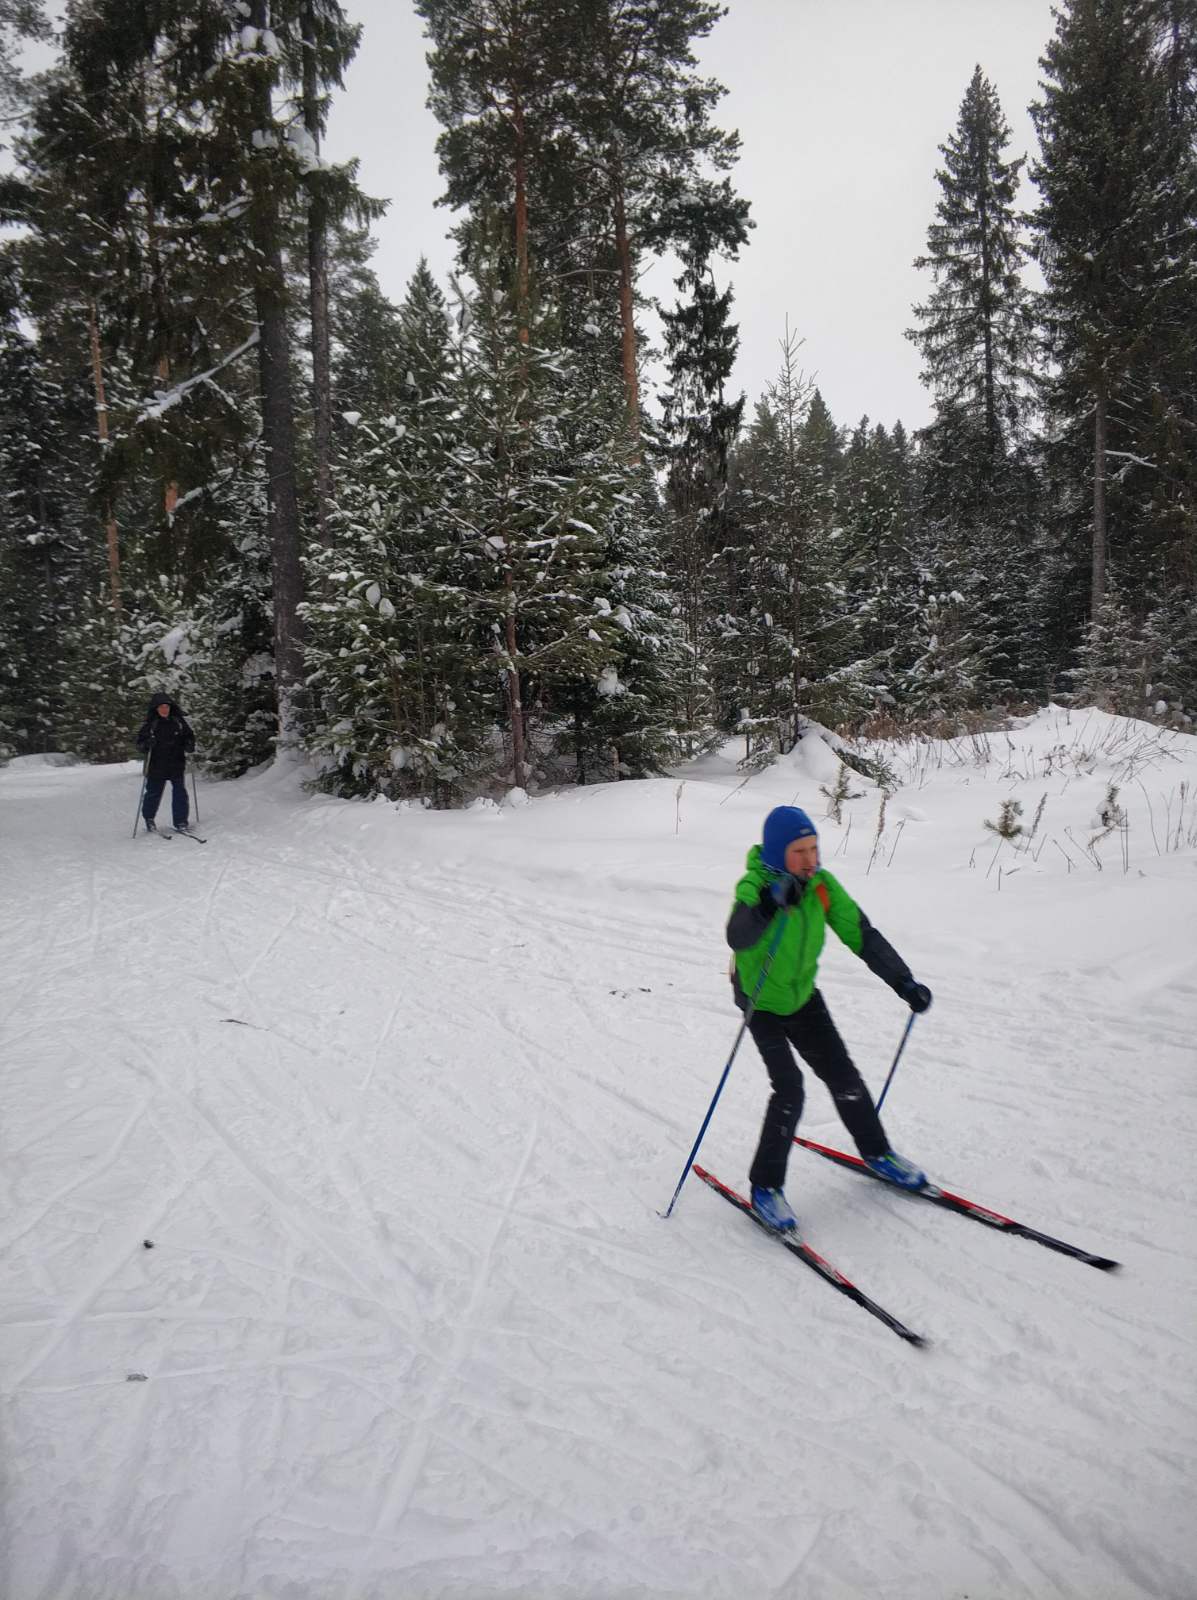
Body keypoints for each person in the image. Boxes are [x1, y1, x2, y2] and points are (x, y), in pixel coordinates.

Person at [726, 804, 932, 1232]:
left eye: (814, 848)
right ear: (778, 852)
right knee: (790, 1088)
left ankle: (877, 1152)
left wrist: (903, 981)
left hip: (803, 997)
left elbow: (862, 934)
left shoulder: (822, 886)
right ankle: (766, 1187)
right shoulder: (755, 884)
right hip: (760, 1001)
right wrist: (768, 903)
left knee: (845, 1078)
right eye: (799, 851)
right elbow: (738, 935)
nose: (810, 860)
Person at [136, 693, 196, 833]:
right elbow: (140, 745)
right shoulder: (151, 724)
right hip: (157, 766)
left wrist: (189, 744)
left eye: (166, 707)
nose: (164, 709)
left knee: (180, 794)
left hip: (176, 763)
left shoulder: (178, 722)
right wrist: (147, 744)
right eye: (161, 707)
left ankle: (181, 822)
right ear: (156, 708)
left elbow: (189, 736)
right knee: (153, 794)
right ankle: (149, 818)